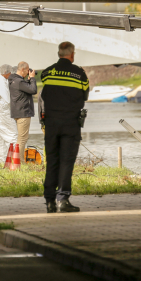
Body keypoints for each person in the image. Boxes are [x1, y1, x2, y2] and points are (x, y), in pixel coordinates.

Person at [40, 41, 89, 213]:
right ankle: (62, 199)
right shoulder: (80, 74)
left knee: (52, 160)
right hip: (70, 123)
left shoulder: (47, 72)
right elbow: (85, 95)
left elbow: (46, 92)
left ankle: (49, 201)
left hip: (51, 123)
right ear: (72, 54)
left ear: (58, 54)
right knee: (67, 161)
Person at [8, 61, 37, 161]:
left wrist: (28, 81)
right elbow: (33, 90)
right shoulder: (19, 81)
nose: (28, 72)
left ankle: (16, 160)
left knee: (21, 137)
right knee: (22, 138)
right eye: (28, 70)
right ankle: (19, 162)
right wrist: (32, 78)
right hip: (23, 112)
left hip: (17, 112)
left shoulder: (14, 80)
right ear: (23, 69)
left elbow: (26, 90)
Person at [0, 65, 17, 164]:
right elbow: (7, 99)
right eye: (10, 73)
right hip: (4, 114)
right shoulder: (1, 82)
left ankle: (2, 160)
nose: (10, 75)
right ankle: (15, 160)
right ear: (5, 72)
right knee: (12, 135)